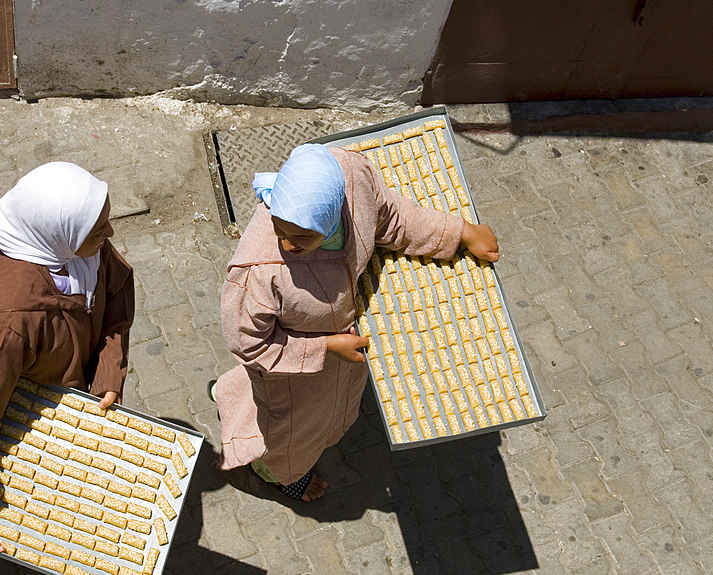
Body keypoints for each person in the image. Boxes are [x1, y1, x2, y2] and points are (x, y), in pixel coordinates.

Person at [211, 144, 499, 501]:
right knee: (293, 429)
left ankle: (230, 398)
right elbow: (248, 344)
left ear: (333, 214)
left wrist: (459, 232)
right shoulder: (258, 271)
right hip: (292, 370)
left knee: (328, 406)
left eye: (302, 236)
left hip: (339, 352)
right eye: (279, 227)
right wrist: (326, 346)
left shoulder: (351, 178)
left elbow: (391, 217)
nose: (286, 242)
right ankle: (278, 472)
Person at [0, 161, 134, 561]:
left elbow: (116, 297)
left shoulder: (81, 248)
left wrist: (109, 371)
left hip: (74, 379)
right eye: (99, 230)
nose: (109, 234)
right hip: (37, 401)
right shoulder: (10, 322)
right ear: (57, 234)